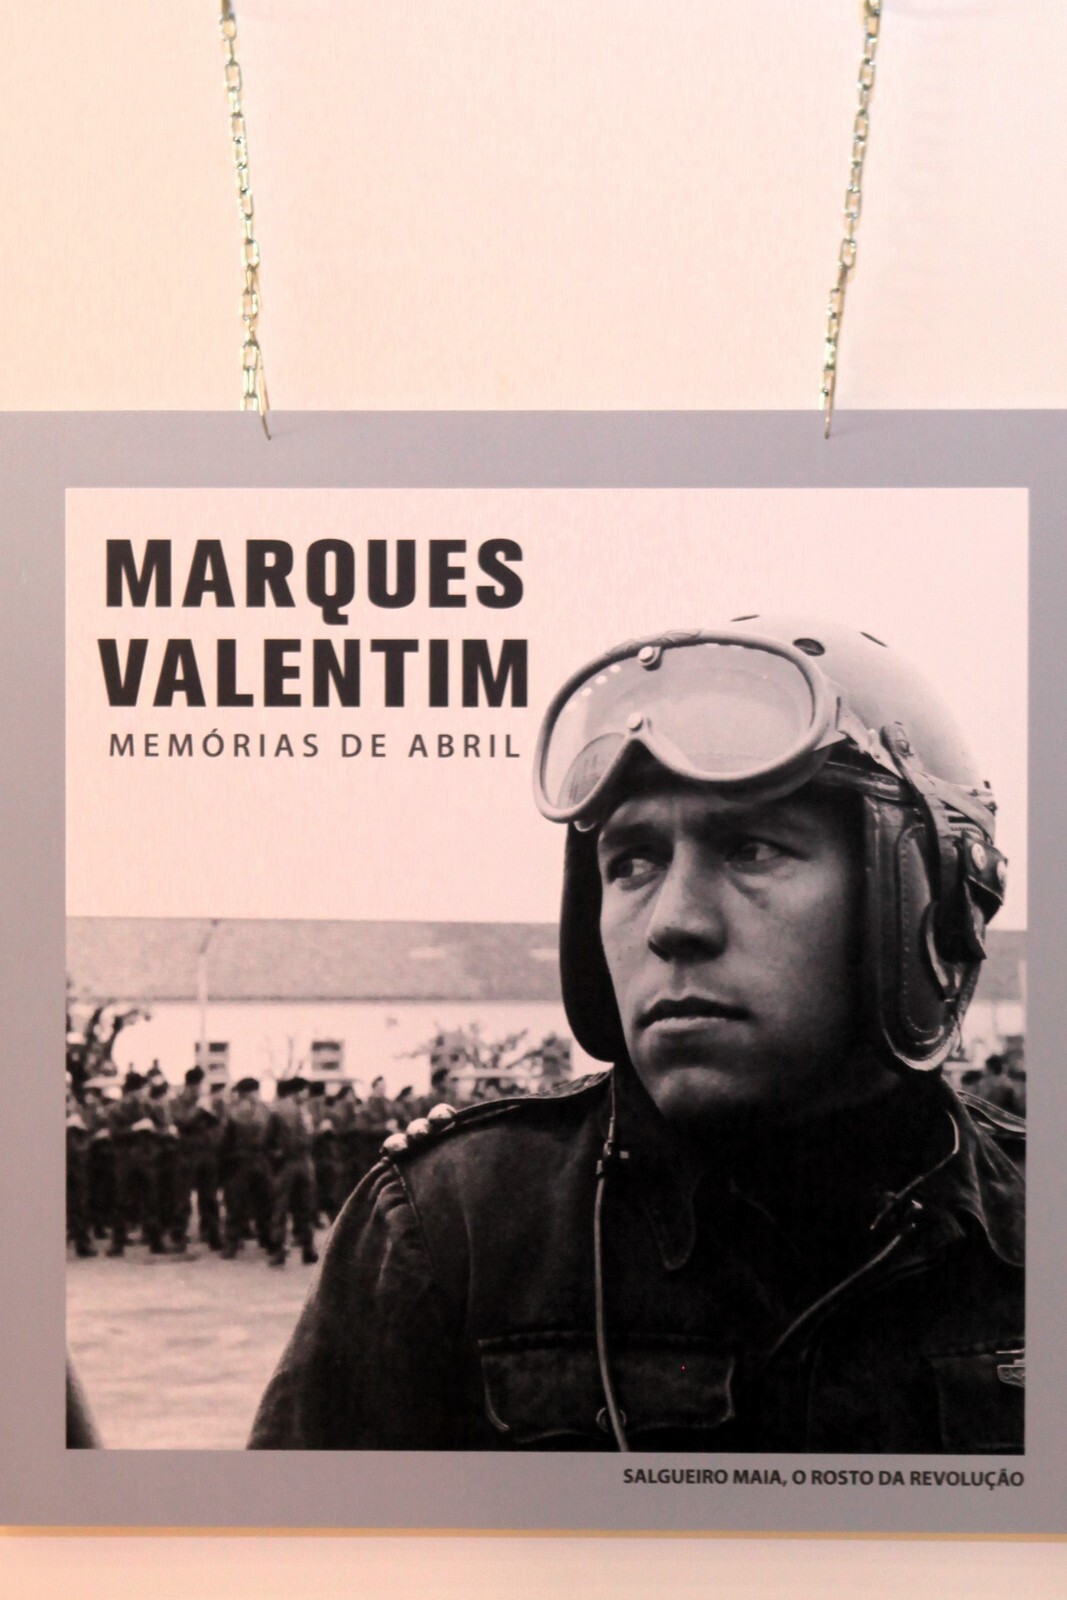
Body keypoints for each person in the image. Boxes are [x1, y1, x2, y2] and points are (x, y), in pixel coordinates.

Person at [249, 619, 1024, 1452]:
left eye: (752, 849)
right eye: (632, 863)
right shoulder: (452, 1231)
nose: (671, 923)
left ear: (929, 903)